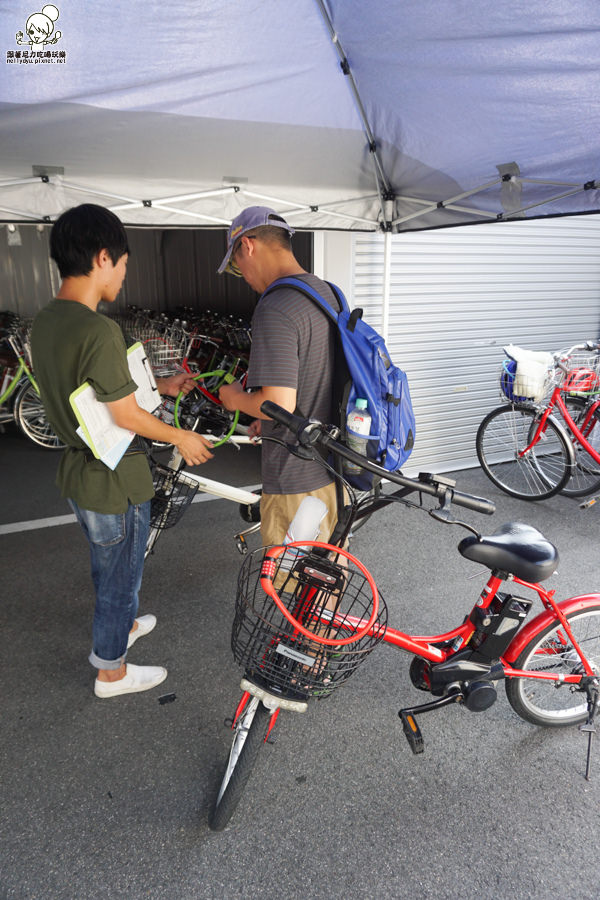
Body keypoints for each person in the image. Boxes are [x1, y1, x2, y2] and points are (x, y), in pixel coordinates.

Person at [30, 204, 214, 698]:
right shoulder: (98, 329)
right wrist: (182, 437)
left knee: (107, 565)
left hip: (79, 474)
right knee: (121, 577)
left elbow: (96, 394)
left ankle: (123, 626)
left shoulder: (46, 322)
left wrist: (165, 386)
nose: (125, 275)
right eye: (126, 264)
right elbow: (125, 416)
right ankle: (111, 672)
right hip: (113, 479)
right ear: (103, 257)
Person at [217, 206, 341, 546]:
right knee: (324, 578)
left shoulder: (276, 306)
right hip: (334, 469)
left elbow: (277, 403)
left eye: (236, 263)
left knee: (293, 589)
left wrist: (235, 399)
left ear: (248, 246)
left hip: (296, 481)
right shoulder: (326, 293)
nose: (241, 273)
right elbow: (316, 382)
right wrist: (268, 420)